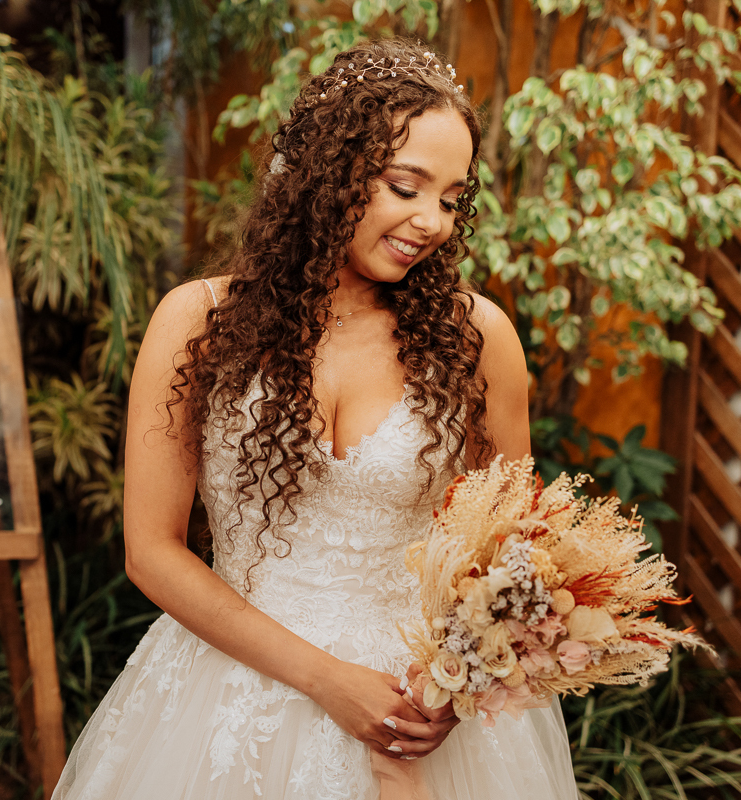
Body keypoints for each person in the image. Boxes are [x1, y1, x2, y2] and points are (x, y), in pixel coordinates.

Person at [51, 39, 576, 800]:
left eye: (451, 199)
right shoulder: (198, 322)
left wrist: (456, 687)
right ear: (329, 171)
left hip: (418, 708)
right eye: (406, 187)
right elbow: (152, 552)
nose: (431, 221)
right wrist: (328, 680)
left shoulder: (476, 339)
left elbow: (512, 554)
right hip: (227, 702)